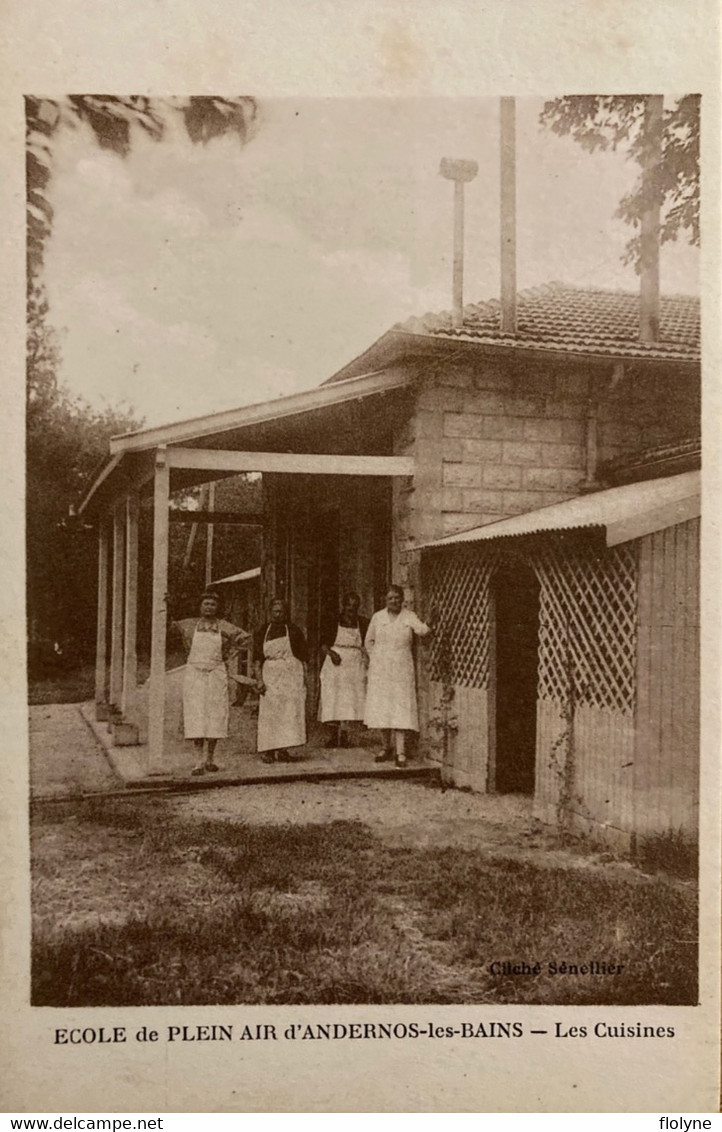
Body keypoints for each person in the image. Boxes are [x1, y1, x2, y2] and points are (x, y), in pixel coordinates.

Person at [173, 590, 250, 776]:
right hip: (195, 674)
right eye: (206, 603)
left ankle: (210, 759)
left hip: (216, 674)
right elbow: (171, 627)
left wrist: (228, 653)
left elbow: (245, 638)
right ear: (200, 606)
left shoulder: (224, 626)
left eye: (213, 604)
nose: (209, 607)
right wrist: (170, 605)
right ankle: (198, 761)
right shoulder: (190, 625)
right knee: (196, 714)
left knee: (215, 715)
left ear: (218, 608)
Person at [364, 584, 434, 768]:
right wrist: (377, 658)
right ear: (385, 600)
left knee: (400, 707)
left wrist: (431, 620)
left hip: (402, 669)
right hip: (381, 670)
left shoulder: (409, 616)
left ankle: (400, 752)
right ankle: (385, 747)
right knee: (382, 707)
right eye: (390, 598)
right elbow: (368, 641)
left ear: (402, 599)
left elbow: (423, 631)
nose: (394, 601)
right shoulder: (378, 617)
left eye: (397, 597)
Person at [253, 598, 308, 764]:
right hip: (270, 674)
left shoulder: (294, 630)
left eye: (281, 611)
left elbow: (304, 656)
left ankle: (283, 749)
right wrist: (259, 680)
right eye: (275, 611)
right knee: (270, 713)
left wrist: (304, 680)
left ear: (286, 613)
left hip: (291, 675)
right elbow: (257, 659)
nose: (278, 614)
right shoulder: (263, 631)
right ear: (270, 612)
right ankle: (269, 750)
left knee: (288, 713)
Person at [319, 591, 369, 748]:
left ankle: (346, 736)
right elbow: (322, 644)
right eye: (349, 605)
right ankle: (334, 736)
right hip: (336, 663)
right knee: (333, 699)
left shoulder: (363, 623)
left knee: (350, 700)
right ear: (343, 605)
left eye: (355, 606)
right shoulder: (333, 621)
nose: (351, 609)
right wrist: (331, 653)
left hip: (354, 664)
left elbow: (368, 643)